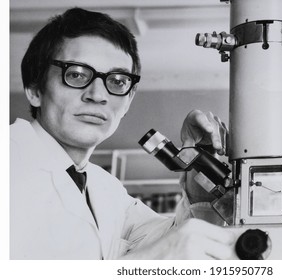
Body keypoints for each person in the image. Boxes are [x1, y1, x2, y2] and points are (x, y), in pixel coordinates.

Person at [10, 7, 235, 260]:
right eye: (76, 74)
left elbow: (175, 243)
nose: (97, 95)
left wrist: (200, 183)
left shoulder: (106, 189)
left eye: (117, 81)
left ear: (128, 101)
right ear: (34, 89)